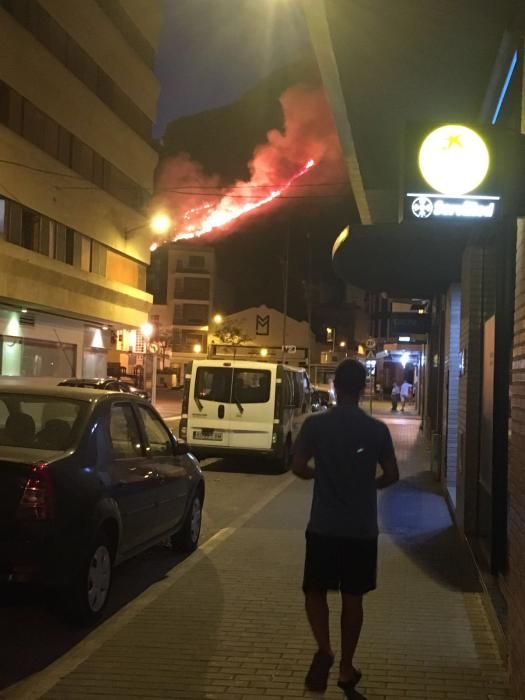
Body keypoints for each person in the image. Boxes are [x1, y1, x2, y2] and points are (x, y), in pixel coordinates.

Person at [292, 359, 399, 697]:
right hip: (361, 528)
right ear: (364, 387)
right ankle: (346, 667)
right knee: (354, 597)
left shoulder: (315, 426)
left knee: (315, 591)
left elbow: (297, 466)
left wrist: (318, 476)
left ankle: (324, 648)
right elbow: (393, 474)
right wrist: (368, 486)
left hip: (323, 524)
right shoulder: (377, 430)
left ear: (336, 386)